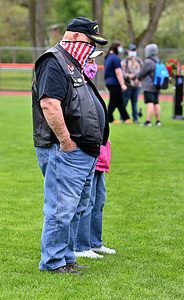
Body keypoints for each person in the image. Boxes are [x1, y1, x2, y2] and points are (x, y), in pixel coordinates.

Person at [32, 17, 109, 274]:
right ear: (75, 37)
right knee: (60, 209)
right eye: (90, 42)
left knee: (75, 208)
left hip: (81, 150)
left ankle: (65, 258)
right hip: (63, 149)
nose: (92, 50)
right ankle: (53, 263)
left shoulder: (72, 62)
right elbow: (49, 104)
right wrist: (66, 141)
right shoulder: (54, 61)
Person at [75, 51, 116, 258]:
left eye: (95, 62)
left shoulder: (88, 84)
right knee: (87, 200)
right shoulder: (76, 85)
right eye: (90, 61)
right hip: (87, 150)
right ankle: (81, 246)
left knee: (99, 199)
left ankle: (95, 242)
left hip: (99, 152)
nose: (94, 66)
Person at [104, 40, 131, 124]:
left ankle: (126, 118)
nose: (121, 49)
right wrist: (122, 84)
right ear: (116, 47)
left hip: (109, 81)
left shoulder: (108, 56)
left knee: (119, 101)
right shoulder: (115, 58)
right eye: (120, 47)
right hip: (114, 82)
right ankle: (109, 118)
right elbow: (118, 72)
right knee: (113, 101)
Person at [135, 44, 162, 127]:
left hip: (149, 86)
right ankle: (158, 121)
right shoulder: (158, 60)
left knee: (150, 102)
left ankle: (148, 121)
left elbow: (141, 72)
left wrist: (135, 76)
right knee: (156, 102)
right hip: (156, 85)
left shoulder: (148, 61)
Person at [121, 44, 143, 123]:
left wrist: (139, 79)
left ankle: (135, 118)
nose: (133, 52)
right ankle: (123, 118)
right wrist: (130, 76)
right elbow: (122, 73)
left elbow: (142, 71)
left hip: (136, 86)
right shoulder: (124, 62)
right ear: (128, 51)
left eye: (134, 50)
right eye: (131, 50)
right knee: (125, 102)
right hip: (128, 85)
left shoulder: (139, 61)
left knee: (135, 103)